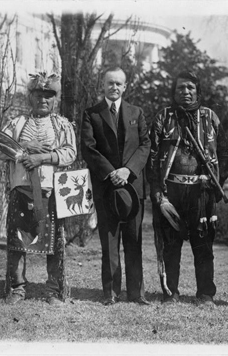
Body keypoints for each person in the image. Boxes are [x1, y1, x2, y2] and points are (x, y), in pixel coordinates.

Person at [148, 71, 228, 305]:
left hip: (202, 191)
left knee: (203, 244)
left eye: (190, 88)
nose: (185, 92)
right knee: (171, 245)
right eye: (180, 88)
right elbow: (153, 157)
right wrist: (156, 190)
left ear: (198, 91)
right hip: (171, 190)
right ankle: (170, 292)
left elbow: (224, 152)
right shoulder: (164, 117)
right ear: (174, 93)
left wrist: (218, 183)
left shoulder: (210, 117)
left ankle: (205, 294)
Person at [0, 72, 76, 306]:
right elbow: (1, 150)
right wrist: (24, 148)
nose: (43, 100)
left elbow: (70, 153)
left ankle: (52, 290)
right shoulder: (16, 123)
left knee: (53, 243)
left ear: (55, 99)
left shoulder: (62, 124)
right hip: (21, 190)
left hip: (50, 192)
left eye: (48, 96)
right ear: (30, 97)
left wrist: (42, 157)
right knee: (17, 242)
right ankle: (17, 288)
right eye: (38, 95)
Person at [81, 67, 151, 306]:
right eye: (110, 83)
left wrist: (128, 170)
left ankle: (136, 293)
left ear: (125, 86)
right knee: (109, 242)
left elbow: (145, 145)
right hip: (106, 188)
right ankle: (110, 292)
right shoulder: (92, 114)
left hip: (133, 187)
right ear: (103, 85)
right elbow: (88, 149)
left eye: (119, 84)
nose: (114, 87)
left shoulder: (137, 112)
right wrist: (112, 173)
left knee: (134, 240)